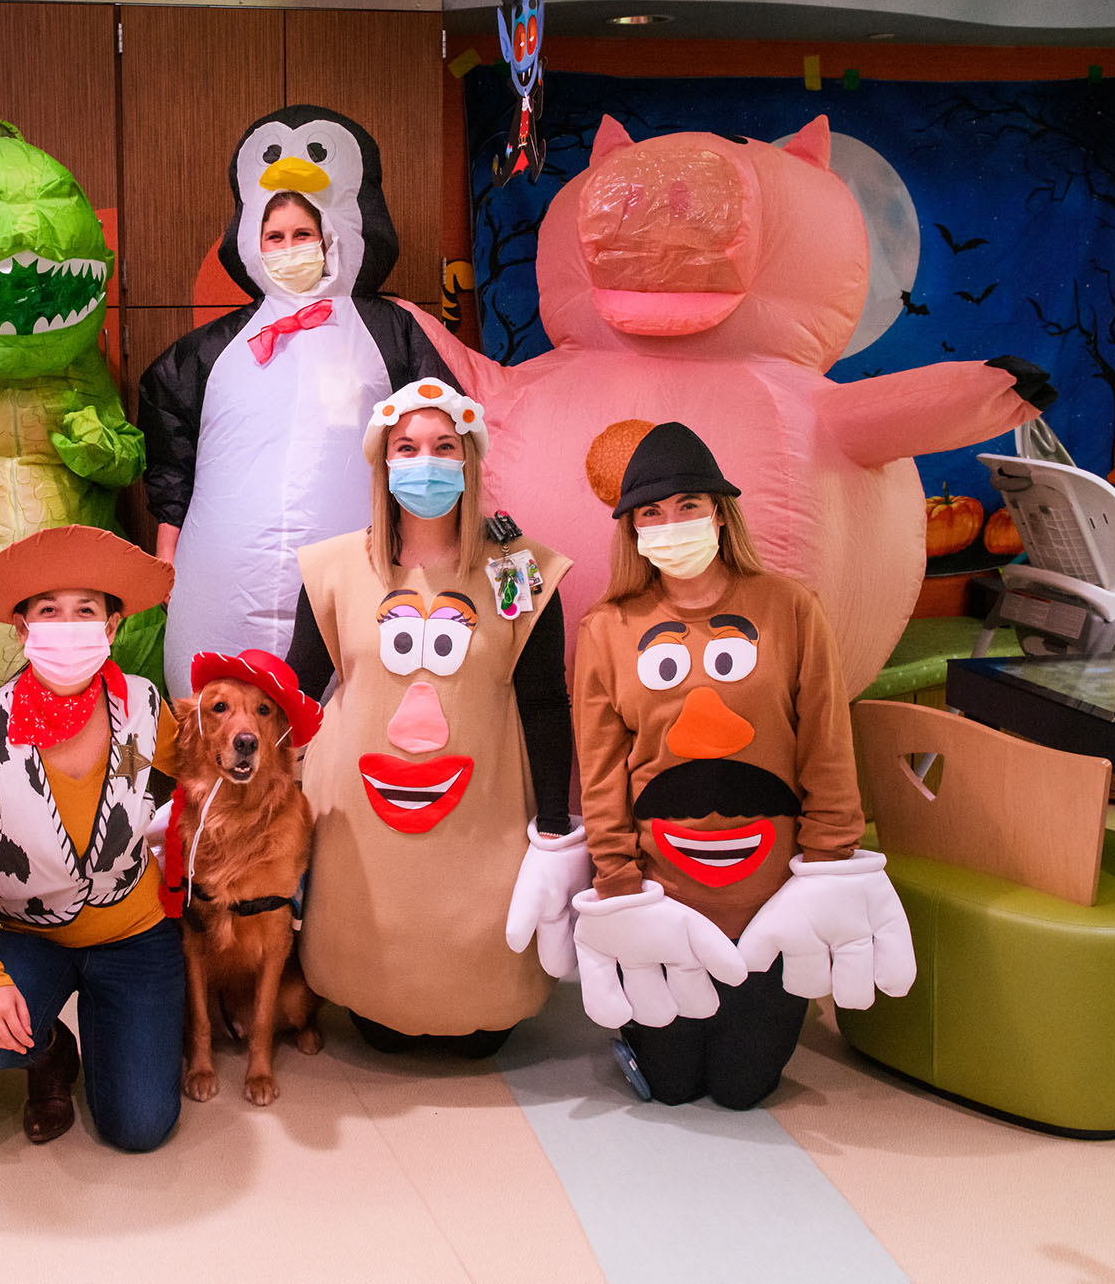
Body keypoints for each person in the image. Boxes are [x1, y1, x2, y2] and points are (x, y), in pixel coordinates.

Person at [569, 422, 915, 1108]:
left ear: (721, 513)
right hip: (664, 902)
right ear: (633, 530)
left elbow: (826, 744)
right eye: (653, 514)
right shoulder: (606, 629)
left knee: (741, 1088)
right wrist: (618, 882)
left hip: (773, 899)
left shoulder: (791, 609)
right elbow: (601, 772)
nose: (672, 524)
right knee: (671, 1087)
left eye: (689, 506)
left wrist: (827, 869)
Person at [286, 379, 584, 1055]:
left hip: (484, 819)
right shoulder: (333, 569)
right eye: (407, 447)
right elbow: (297, 692)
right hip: (363, 831)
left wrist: (555, 828)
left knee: (485, 1028)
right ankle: (368, 973)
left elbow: (543, 700)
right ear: (383, 463)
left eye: (444, 446)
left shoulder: (519, 570)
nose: (426, 461)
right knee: (374, 1023)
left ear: (470, 459)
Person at [139, 104, 453, 696]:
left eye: (303, 235)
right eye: (275, 237)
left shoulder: (391, 332)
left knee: (349, 711)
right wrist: (167, 542)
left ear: (331, 233)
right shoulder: (212, 350)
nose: (290, 249)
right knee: (223, 716)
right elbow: (170, 447)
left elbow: (442, 434)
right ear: (252, 243)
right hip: (220, 575)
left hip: (361, 571)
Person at [0, 525, 183, 1150]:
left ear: (112, 627)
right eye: (49, 611)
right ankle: (48, 1054)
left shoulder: (147, 706)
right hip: (27, 934)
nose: (68, 627)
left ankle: (114, 1025)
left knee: (140, 1128)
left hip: (135, 933)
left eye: (85, 611)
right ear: (22, 630)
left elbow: (185, 788)